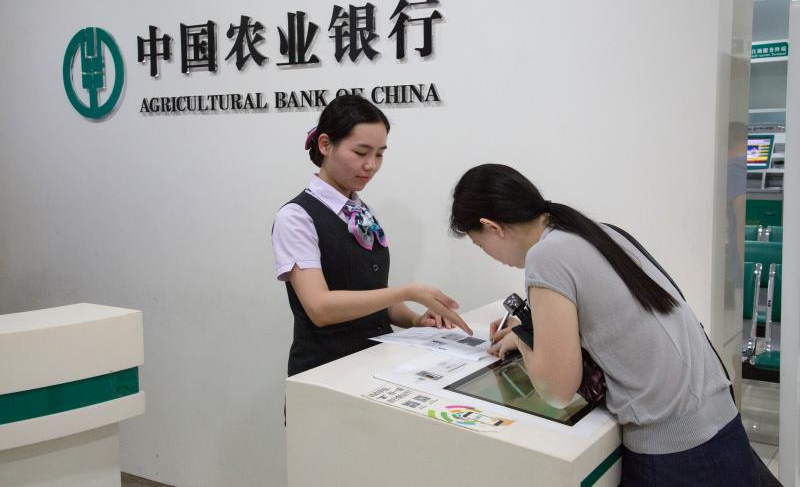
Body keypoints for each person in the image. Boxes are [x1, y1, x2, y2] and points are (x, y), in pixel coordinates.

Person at [449, 163, 759, 486]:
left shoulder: (545, 256)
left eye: (480, 244)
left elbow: (557, 390)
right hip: (719, 425)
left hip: (678, 452)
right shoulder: (592, 232)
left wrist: (525, 338)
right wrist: (522, 334)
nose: (489, 254)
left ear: (492, 227)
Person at [272, 94, 470, 377]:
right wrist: (408, 292)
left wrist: (416, 320)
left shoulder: (361, 211)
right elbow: (320, 308)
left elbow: (374, 294)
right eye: (361, 152)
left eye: (379, 154)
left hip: (375, 366)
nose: (371, 165)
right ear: (325, 145)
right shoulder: (296, 217)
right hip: (324, 372)